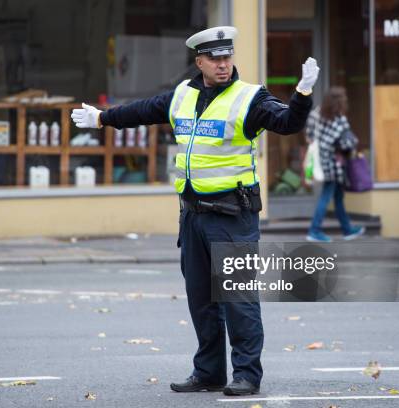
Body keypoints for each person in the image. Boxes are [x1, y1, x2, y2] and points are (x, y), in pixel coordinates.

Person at [71, 26, 319, 396]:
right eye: (215, 58)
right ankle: (208, 372)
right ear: (199, 61)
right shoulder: (182, 97)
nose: (223, 65)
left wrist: (302, 94)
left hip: (233, 216)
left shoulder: (250, 98)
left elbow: (288, 123)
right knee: (201, 299)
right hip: (193, 216)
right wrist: (103, 119)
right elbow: (143, 111)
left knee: (238, 300)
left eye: (227, 57)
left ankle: (247, 374)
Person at [305, 87, 365, 242]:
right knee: (326, 195)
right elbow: (349, 143)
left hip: (321, 160)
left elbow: (309, 137)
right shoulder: (340, 120)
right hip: (335, 163)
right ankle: (314, 230)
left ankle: (347, 230)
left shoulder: (315, 114)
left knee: (338, 196)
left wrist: (322, 145)